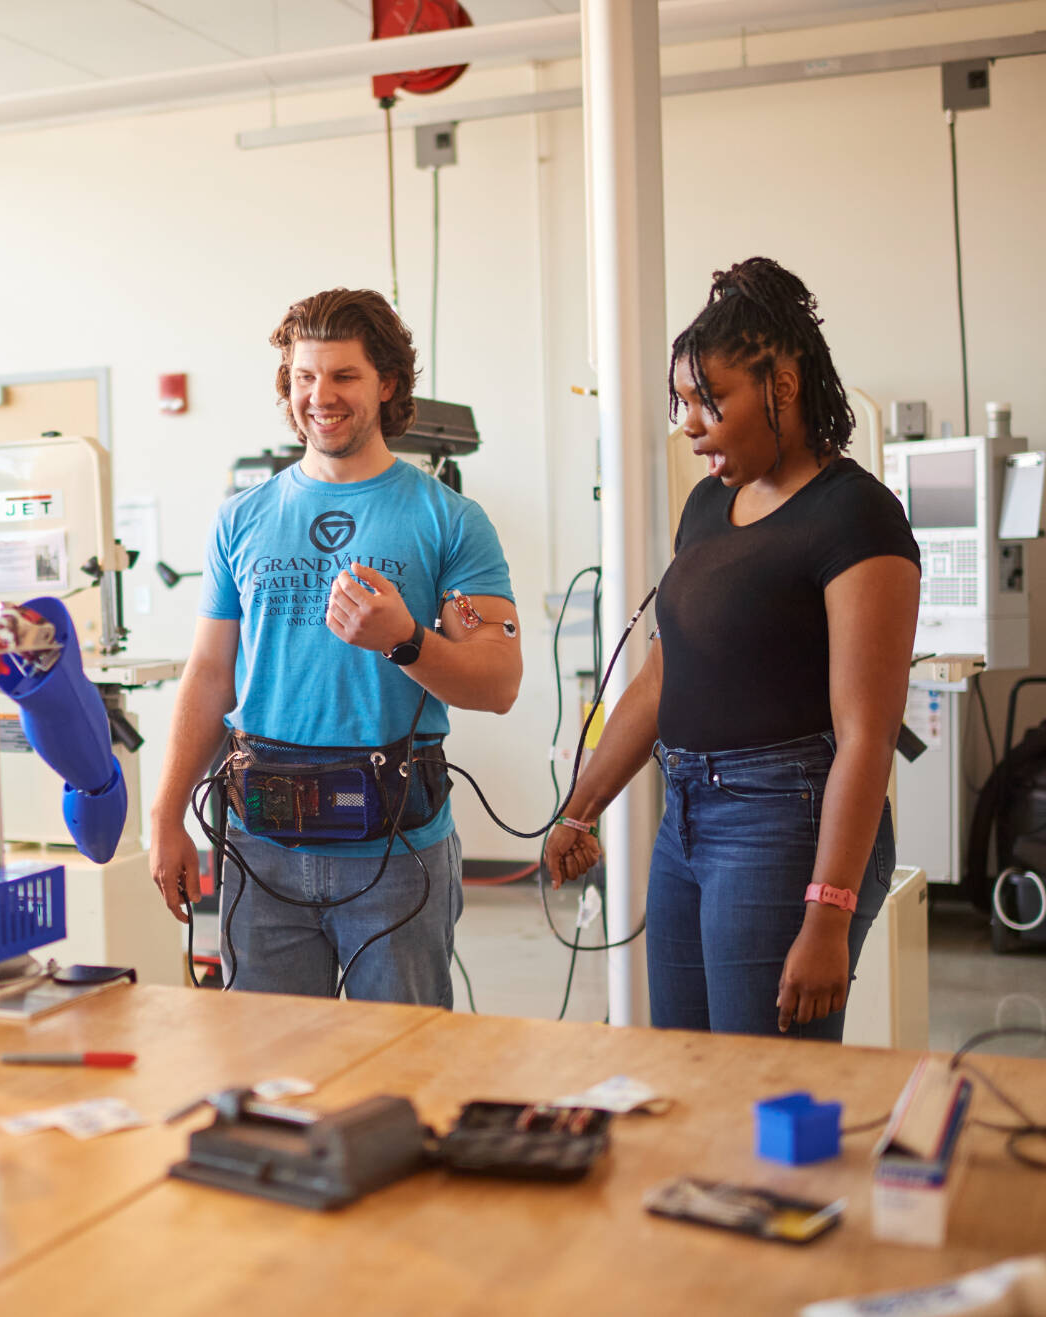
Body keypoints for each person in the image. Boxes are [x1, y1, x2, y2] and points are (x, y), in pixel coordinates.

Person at [543, 258, 920, 1040]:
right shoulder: (711, 504)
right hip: (684, 815)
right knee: (688, 1070)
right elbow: (659, 676)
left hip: (783, 818)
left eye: (707, 401)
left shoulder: (856, 518)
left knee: (765, 1082)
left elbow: (867, 734)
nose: (688, 425)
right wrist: (580, 810)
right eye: (682, 402)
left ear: (781, 387)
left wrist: (828, 915)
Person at [148, 289, 522, 1007]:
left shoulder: (449, 519)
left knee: (400, 1067)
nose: (320, 396)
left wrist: (406, 641)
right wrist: (166, 814)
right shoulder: (241, 520)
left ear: (386, 383)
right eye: (303, 377)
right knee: (272, 1074)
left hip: (397, 852)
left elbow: (498, 682)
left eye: (343, 376)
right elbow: (208, 675)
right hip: (260, 850)